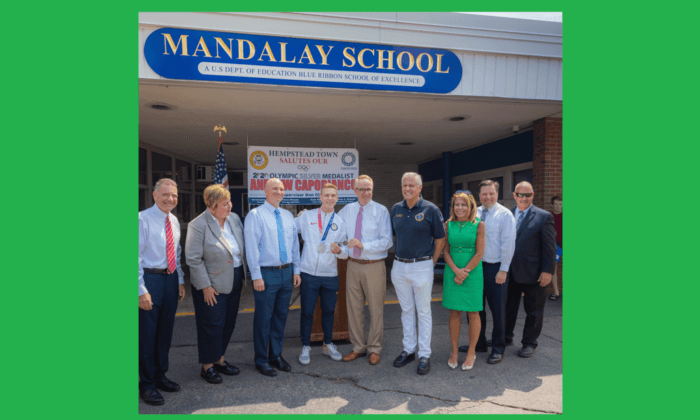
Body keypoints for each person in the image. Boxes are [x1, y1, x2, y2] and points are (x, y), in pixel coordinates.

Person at [185, 184, 248, 384]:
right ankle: (207, 366)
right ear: (211, 206)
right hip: (211, 284)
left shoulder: (234, 219)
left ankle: (219, 359)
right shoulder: (198, 224)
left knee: (228, 322)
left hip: (235, 278)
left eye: (229, 202)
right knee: (211, 325)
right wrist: (205, 286)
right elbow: (194, 259)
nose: (229, 206)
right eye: (224, 204)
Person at [244, 178, 302, 376]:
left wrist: (296, 270)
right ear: (265, 190)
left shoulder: (287, 216)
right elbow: (251, 248)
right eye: (275, 188)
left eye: (282, 189)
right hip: (266, 274)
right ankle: (261, 359)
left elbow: (295, 246)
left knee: (280, 317)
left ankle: (275, 355)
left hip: (286, 272)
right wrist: (256, 276)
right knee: (263, 318)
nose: (279, 192)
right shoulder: (255, 215)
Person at [390, 172, 446, 375]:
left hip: (422, 266)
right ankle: (408, 350)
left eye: (412, 186)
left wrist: (431, 262)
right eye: (405, 185)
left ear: (420, 188)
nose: (407, 189)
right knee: (406, 310)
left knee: (423, 312)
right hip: (399, 266)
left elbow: (440, 238)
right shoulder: (396, 209)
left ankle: (424, 354)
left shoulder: (431, 209)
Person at [138, 178, 186, 406]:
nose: (170, 199)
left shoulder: (173, 220)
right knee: (147, 334)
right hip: (150, 279)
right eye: (166, 194)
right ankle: (147, 384)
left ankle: (160, 375)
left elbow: (176, 253)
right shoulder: (142, 219)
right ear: (155, 195)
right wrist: (140, 290)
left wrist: (179, 280)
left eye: (174, 195)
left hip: (170, 279)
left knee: (165, 332)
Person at [458, 180, 516, 365]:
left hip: (494, 268)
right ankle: (479, 343)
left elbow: (508, 245)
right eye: (484, 194)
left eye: (491, 193)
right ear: (479, 195)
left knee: (498, 310)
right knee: (475, 308)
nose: (488, 197)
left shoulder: (505, 215)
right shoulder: (475, 213)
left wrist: (503, 270)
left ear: (497, 194)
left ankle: (498, 348)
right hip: (475, 268)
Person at [337, 175, 393, 365]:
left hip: (374, 266)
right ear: (354, 191)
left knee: (376, 309)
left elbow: (387, 241)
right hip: (353, 265)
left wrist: (364, 246)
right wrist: (342, 250)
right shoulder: (346, 211)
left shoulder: (381, 211)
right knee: (354, 309)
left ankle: (375, 348)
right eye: (362, 189)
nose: (366, 193)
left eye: (369, 189)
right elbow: (343, 238)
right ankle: (358, 347)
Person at [295, 183, 348, 365]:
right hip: (309, 273)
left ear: (337, 198)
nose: (330, 198)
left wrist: (339, 251)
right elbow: (290, 231)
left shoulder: (340, 222)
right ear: (320, 197)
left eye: (333, 195)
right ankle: (305, 346)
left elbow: (345, 249)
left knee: (328, 311)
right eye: (326, 195)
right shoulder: (307, 216)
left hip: (330, 274)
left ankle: (328, 343)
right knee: (307, 312)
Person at [505, 181, 557, 358]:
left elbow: (550, 247)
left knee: (534, 310)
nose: (524, 198)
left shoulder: (544, 216)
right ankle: (505, 338)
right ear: (514, 195)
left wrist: (548, 271)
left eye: (527, 195)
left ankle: (529, 343)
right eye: (520, 194)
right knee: (507, 308)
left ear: (533, 195)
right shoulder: (508, 215)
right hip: (509, 272)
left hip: (535, 273)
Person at [442, 191, 484, 371]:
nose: (460, 208)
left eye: (463, 205)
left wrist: (464, 272)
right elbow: (445, 251)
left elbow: (479, 252)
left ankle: (471, 352)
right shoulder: (448, 225)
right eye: (456, 205)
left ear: (471, 206)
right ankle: (454, 351)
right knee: (454, 312)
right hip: (452, 271)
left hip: (472, 273)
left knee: (473, 313)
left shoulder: (478, 225)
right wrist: (456, 271)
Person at [549, 196, 562, 300]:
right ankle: (556, 292)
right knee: (554, 267)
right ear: (552, 205)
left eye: (560, 204)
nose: (558, 206)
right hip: (555, 245)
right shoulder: (549, 216)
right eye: (556, 204)